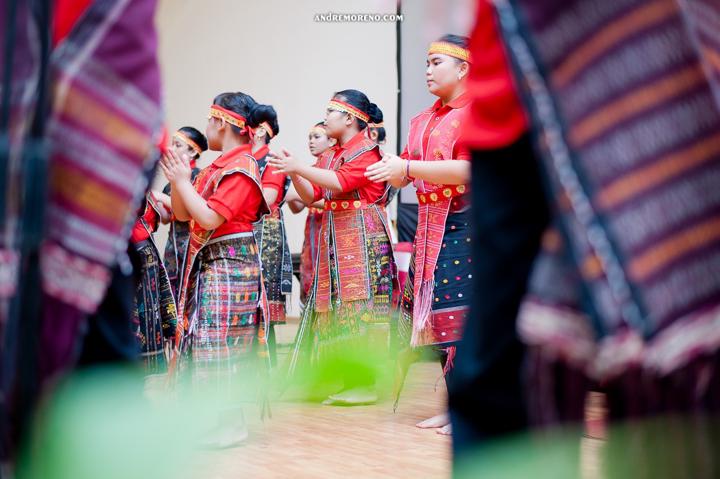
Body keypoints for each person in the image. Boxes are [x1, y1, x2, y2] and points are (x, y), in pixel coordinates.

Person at [365, 34, 473, 435]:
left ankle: (468, 412)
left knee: (461, 320)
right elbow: (404, 171)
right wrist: (388, 168)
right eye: (426, 63)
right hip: (430, 228)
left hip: (464, 225)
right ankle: (454, 407)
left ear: (463, 69)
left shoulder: (475, 114)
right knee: (440, 322)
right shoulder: (422, 119)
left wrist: (407, 169)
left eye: (436, 63)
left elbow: (467, 170)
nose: (427, 70)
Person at [269, 90, 396, 406]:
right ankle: (346, 379)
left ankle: (364, 384)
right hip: (336, 235)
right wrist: (294, 172)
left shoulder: (367, 151)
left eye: (330, 112)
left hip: (362, 237)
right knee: (337, 308)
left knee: (359, 308)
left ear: (349, 118)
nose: (325, 117)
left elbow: (340, 183)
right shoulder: (333, 154)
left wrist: (299, 167)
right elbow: (311, 195)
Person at [160, 92, 270, 448]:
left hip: (231, 263)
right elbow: (182, 214)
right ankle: (222, 420)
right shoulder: (217, 166)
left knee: (221, 338)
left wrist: (182, 182)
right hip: (212, 261)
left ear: (221, 122)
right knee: (208, 337)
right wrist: (178, 180)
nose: (207, 125)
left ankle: (233, 423)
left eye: (210, 119)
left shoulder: (242, 167)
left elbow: (209, 217)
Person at [249, 104, 291, 366]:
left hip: (266, 237)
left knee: (262, 309)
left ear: (260, 131)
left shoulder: (271, 161)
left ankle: (266, 370)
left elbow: (268, 199)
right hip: (247, 234)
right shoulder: (244, 159)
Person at [285, 122, 336, 305]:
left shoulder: (334, 169)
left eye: (316, 137)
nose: (311, 141)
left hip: (330, 232)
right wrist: (289, 184)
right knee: (309, 284)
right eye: (309, 137)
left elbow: (333, 202)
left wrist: (298, 195)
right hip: (312, 235)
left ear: (331, 141)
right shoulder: (310, 169)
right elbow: (296, 208)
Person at [157, 127, 207, 299]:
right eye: (172, 144)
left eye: (177, 145)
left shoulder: (201, 177)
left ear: (192, 152)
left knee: (190, 294)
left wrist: (161, 197)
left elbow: (189, 213)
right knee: (170, 297)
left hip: (192, 246)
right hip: (173, 247)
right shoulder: (169, 183)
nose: (171, 149)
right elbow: (165, 218)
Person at [129, 192, 176, 373]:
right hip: (133, 255)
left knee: (149, 320)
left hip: (144, 256)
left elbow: (167, 216)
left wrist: (158, 197)